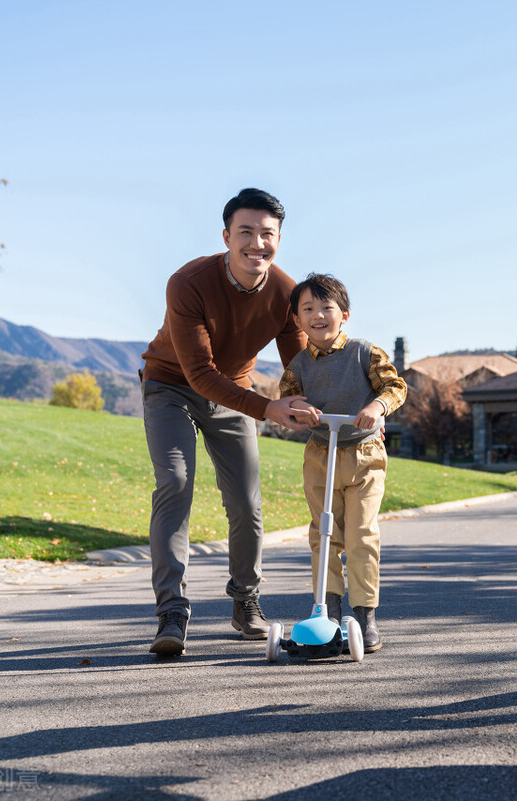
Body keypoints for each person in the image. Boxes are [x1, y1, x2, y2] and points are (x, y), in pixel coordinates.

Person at [140, 188, 319, 657]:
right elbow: (198, 373)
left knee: (245, 502)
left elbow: (302, 368)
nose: (256, 243)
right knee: (175, 483)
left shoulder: (286, 293)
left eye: (267, 234)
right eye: (245, 232)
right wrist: (267, 408)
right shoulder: (189, 282)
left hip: (234, 394)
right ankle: (172, 612)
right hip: (171, 387)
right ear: (226, 236)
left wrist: (357, 412)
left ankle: (245, 600)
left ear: (279, 238)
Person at [278, 273, 407, 654]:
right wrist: (301, 408)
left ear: (344, 314)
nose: (318, 315)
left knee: (361, 534)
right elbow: (287, 398)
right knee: (323, 534)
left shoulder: (365, 353)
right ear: (298, 321)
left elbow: (394, 386)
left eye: (326, 308)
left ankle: (365, 614)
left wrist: (375, 407)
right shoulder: (298, 365)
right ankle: (328, 611)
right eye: (308, 310)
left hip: (364, 453)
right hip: (321, 453)